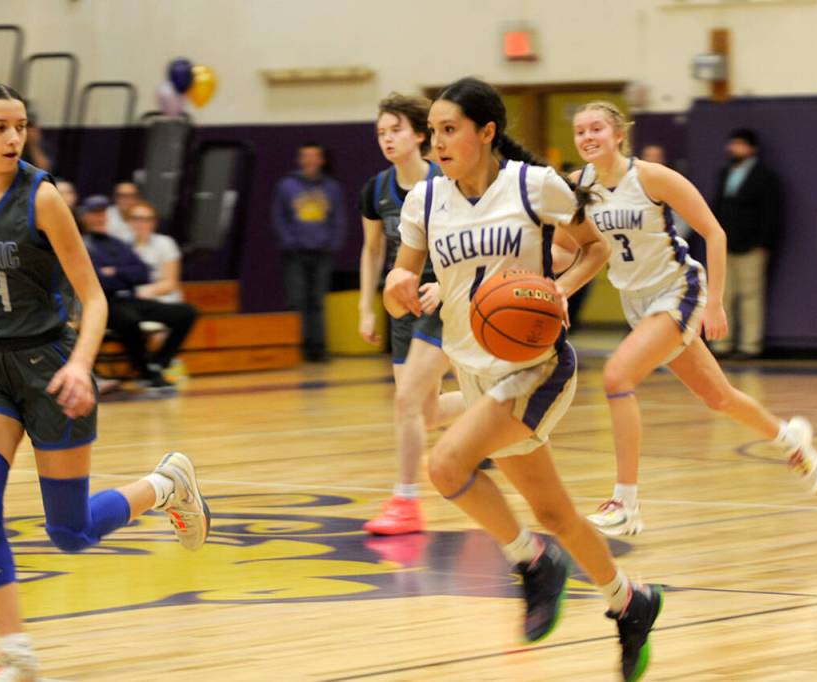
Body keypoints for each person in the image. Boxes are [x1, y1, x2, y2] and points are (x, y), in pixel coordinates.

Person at [0, 82, 210, 680]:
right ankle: (15, 651)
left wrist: (79, 364)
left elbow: (93, 298)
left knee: (70, 532)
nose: (14, 136)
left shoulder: (41, 199)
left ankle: (165, 485)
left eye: (20, 125)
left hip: (49, 364)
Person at [385, 77, 662, 681]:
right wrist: (398, 290)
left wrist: (555, 291)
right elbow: (397, 282)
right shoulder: (424, 202)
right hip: (476, 371)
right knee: (556, 512)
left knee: (447, 466)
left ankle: (533, 561)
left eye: (450, 129)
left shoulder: (534, 185)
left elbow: (593, 248)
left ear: (487, 132)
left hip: (535, 368)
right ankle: (629, 601)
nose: (438, 142)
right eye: (432, 131)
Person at [569, 102, 817, 538]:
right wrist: (549, 286)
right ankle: (789, 439)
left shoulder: (650, 177)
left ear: (618, 135)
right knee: (718, 396)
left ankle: (625, 503)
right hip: (636, 301)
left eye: (596, 128)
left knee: (616, 377)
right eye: (580, 131)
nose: (587, 137)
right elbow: (571, 248)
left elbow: (714, 232)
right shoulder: (577, 187)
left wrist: (716, 304)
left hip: (677, 291)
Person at [358, 93, 464, 535]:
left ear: (420, 134)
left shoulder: (448, 180)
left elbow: (470, 238)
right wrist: (367, 305)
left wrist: (446, 284)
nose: (388, 138)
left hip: (448, 302)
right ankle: (499, 402)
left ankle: (406, 500)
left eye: (396, 129)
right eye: (381, 132)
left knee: (408, 405)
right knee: (421, 410)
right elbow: (372, 249)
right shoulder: (377, 190)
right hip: (402, 306)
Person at [80, 194, 196, 390]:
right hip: (104, 303)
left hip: (131, 299)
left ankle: (157, 364)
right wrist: (121, 274)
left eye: (102, 213)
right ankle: (146, 372)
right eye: (94, 213)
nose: (99, 218)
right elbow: (97, 279)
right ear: (86, 217)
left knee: (186, 312)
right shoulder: (83, 243)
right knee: (129, 320)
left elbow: (142, 273)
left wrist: (115, 271)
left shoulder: (118, 243)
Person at [710, 128, 782, 359]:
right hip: (725, 246)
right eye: (732, 143)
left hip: (752, 247)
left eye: (740, 144)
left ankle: (750, 345)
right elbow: (717, 206)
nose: (734, 148)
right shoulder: (725, 173)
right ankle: (722, 344)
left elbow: (772, 214)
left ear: (752, 148)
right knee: (724, 295)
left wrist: (763, 244)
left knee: (750, 296)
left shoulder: (765, 177)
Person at [271, 142, 346, 362]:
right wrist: (290, 241)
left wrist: (332, 242)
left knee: (317, 301)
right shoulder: (286, 186)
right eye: (306, 156)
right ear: (300, 160)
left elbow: (338, 219)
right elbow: (279, 217)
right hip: (295, 253)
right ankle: (298, 346)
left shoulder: (331, 188)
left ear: (321, 160)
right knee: (296, 300)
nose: (310, 161)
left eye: (315, 156)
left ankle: (318, 347)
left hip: (322, 252)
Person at [129, 199, 186, 303]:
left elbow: (170, 283)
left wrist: (141, 292)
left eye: (147, 219)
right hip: (132, 300)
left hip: (163, 300)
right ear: (129, 221)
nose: (141, 223)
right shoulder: (123, 245)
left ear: (154, 222)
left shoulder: (166, 243)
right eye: (136, 218)